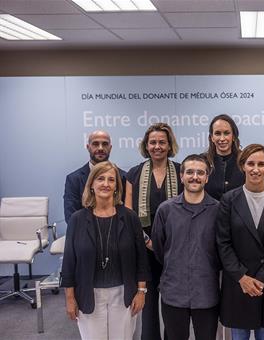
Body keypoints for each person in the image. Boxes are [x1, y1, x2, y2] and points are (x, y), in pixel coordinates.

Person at [61, 161, 150, 340]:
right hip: (88, 294)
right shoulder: (77, 220)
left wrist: (141, 292)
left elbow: (141, 258)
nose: (106, 184)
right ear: (91, 184)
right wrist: (70, 298)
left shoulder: (130, 217)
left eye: (111, 180)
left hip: (124, 293)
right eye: (100, 178)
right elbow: (69, 262)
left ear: (117, 187)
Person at [216, 144, 264, 340]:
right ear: (243, 166)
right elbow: (223, 243)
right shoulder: (229, 200)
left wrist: (262, 279)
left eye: (261, 164)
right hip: (238, 284)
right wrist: (242, 277)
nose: (255, 169)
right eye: (250, 163)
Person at [152, 154, 220, 340]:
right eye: (190, 172)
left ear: (207, 177)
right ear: (181, 176)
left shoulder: (218, 210)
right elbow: (159, 249)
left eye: (200, 172)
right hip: (174, 292)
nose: (195, 177)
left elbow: (222, 252)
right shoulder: (165, 210)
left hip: (206, 293)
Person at [125, 122, 183, 340]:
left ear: (169, 145)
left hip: (175, 247)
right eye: (153, 142)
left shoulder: (181, 171)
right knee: (147, 304)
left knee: (172, 304)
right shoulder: (133, 174)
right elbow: (129, 215)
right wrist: (148, 241)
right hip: (144, 248)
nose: (157, 146)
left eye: (162, 142)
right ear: (146, 146)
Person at [64, 130, 126, 224]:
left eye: (105, 144)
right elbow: (71, 217)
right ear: (88, 147)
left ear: (110, 148)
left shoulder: (124, 177)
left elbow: (126, 214)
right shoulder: (73, 179)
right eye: (95, 144)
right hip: (84, 235)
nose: (100, 148)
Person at [204, 114, 245, 200]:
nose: (222, 138)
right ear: (212, 137)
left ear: (233, 136)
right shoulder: (202, 162)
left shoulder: (245, 160)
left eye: (226, 133)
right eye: (217, 133)